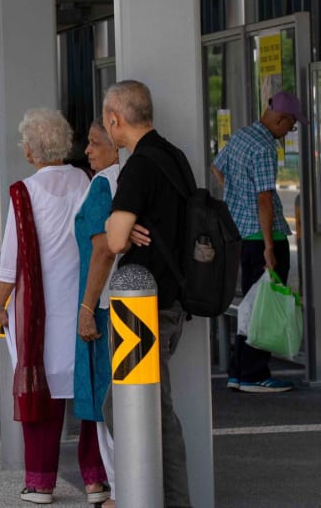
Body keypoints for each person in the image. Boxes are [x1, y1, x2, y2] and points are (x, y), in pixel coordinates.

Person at [0, 108, 108, 506]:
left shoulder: (25, 192)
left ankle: (40, 484)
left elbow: (12, 261)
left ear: (30, 151)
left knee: (42, 393)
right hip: (84, 306)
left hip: (38, 314)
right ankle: (96, 481)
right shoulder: (86, 180)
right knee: (89, 390)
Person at [104, 79, 193, 508]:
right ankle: (151, 494)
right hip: (170, 302)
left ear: (115, 118)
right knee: (142, 410)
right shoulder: (175, 157)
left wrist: (116, 224)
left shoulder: (139, 166)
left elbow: (117, 240)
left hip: (142, 312)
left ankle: (164, 500)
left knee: (151, 415)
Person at [212, 91, 306, 394]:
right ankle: (255, 373)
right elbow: (264, 199)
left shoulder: (241, 136)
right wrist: (268, 246)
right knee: (264, 306)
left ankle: (239, 371)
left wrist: (236, 195)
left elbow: (217, 166)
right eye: (290, 126)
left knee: (251, 305)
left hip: (242, 234)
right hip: (265, 238)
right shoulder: (265, 147)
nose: (287, 133)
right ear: (280, 119)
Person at [73, 117, 119, 508]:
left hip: (103, 305)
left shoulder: (104, 185)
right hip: (126, 301)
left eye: (94, 142)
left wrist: (86, 308)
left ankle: (121, 490)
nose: (87, 150)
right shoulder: (129, 180)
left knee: (106, 402)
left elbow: (102, 249)